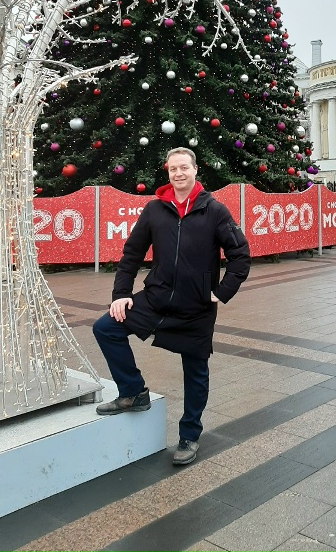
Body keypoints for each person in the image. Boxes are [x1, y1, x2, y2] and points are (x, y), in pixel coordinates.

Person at [92, 147, 250, 465]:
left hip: (196, 308)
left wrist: (220, 292)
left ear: (195, 170)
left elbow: (240, 254)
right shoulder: (154, 209)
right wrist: (121, 294)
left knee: (195, 371)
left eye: (184, 168)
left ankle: (189, 435)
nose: (178, 173)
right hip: (156, 298)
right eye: (172, 169)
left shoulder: (214, 211)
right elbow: (132, 254)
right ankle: (133, 392)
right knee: (105, 327)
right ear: (168, 172)